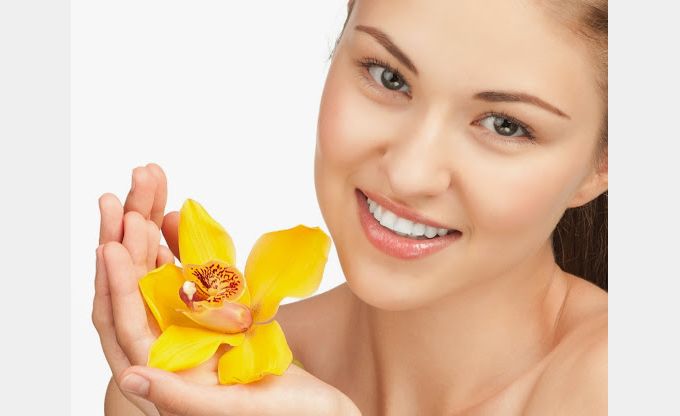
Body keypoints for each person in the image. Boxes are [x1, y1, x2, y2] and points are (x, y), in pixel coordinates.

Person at [93, 0, 608, 414]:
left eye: (505, 125)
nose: (409, 173)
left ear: (602, 164)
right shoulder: (191, 388)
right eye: (388, 77)